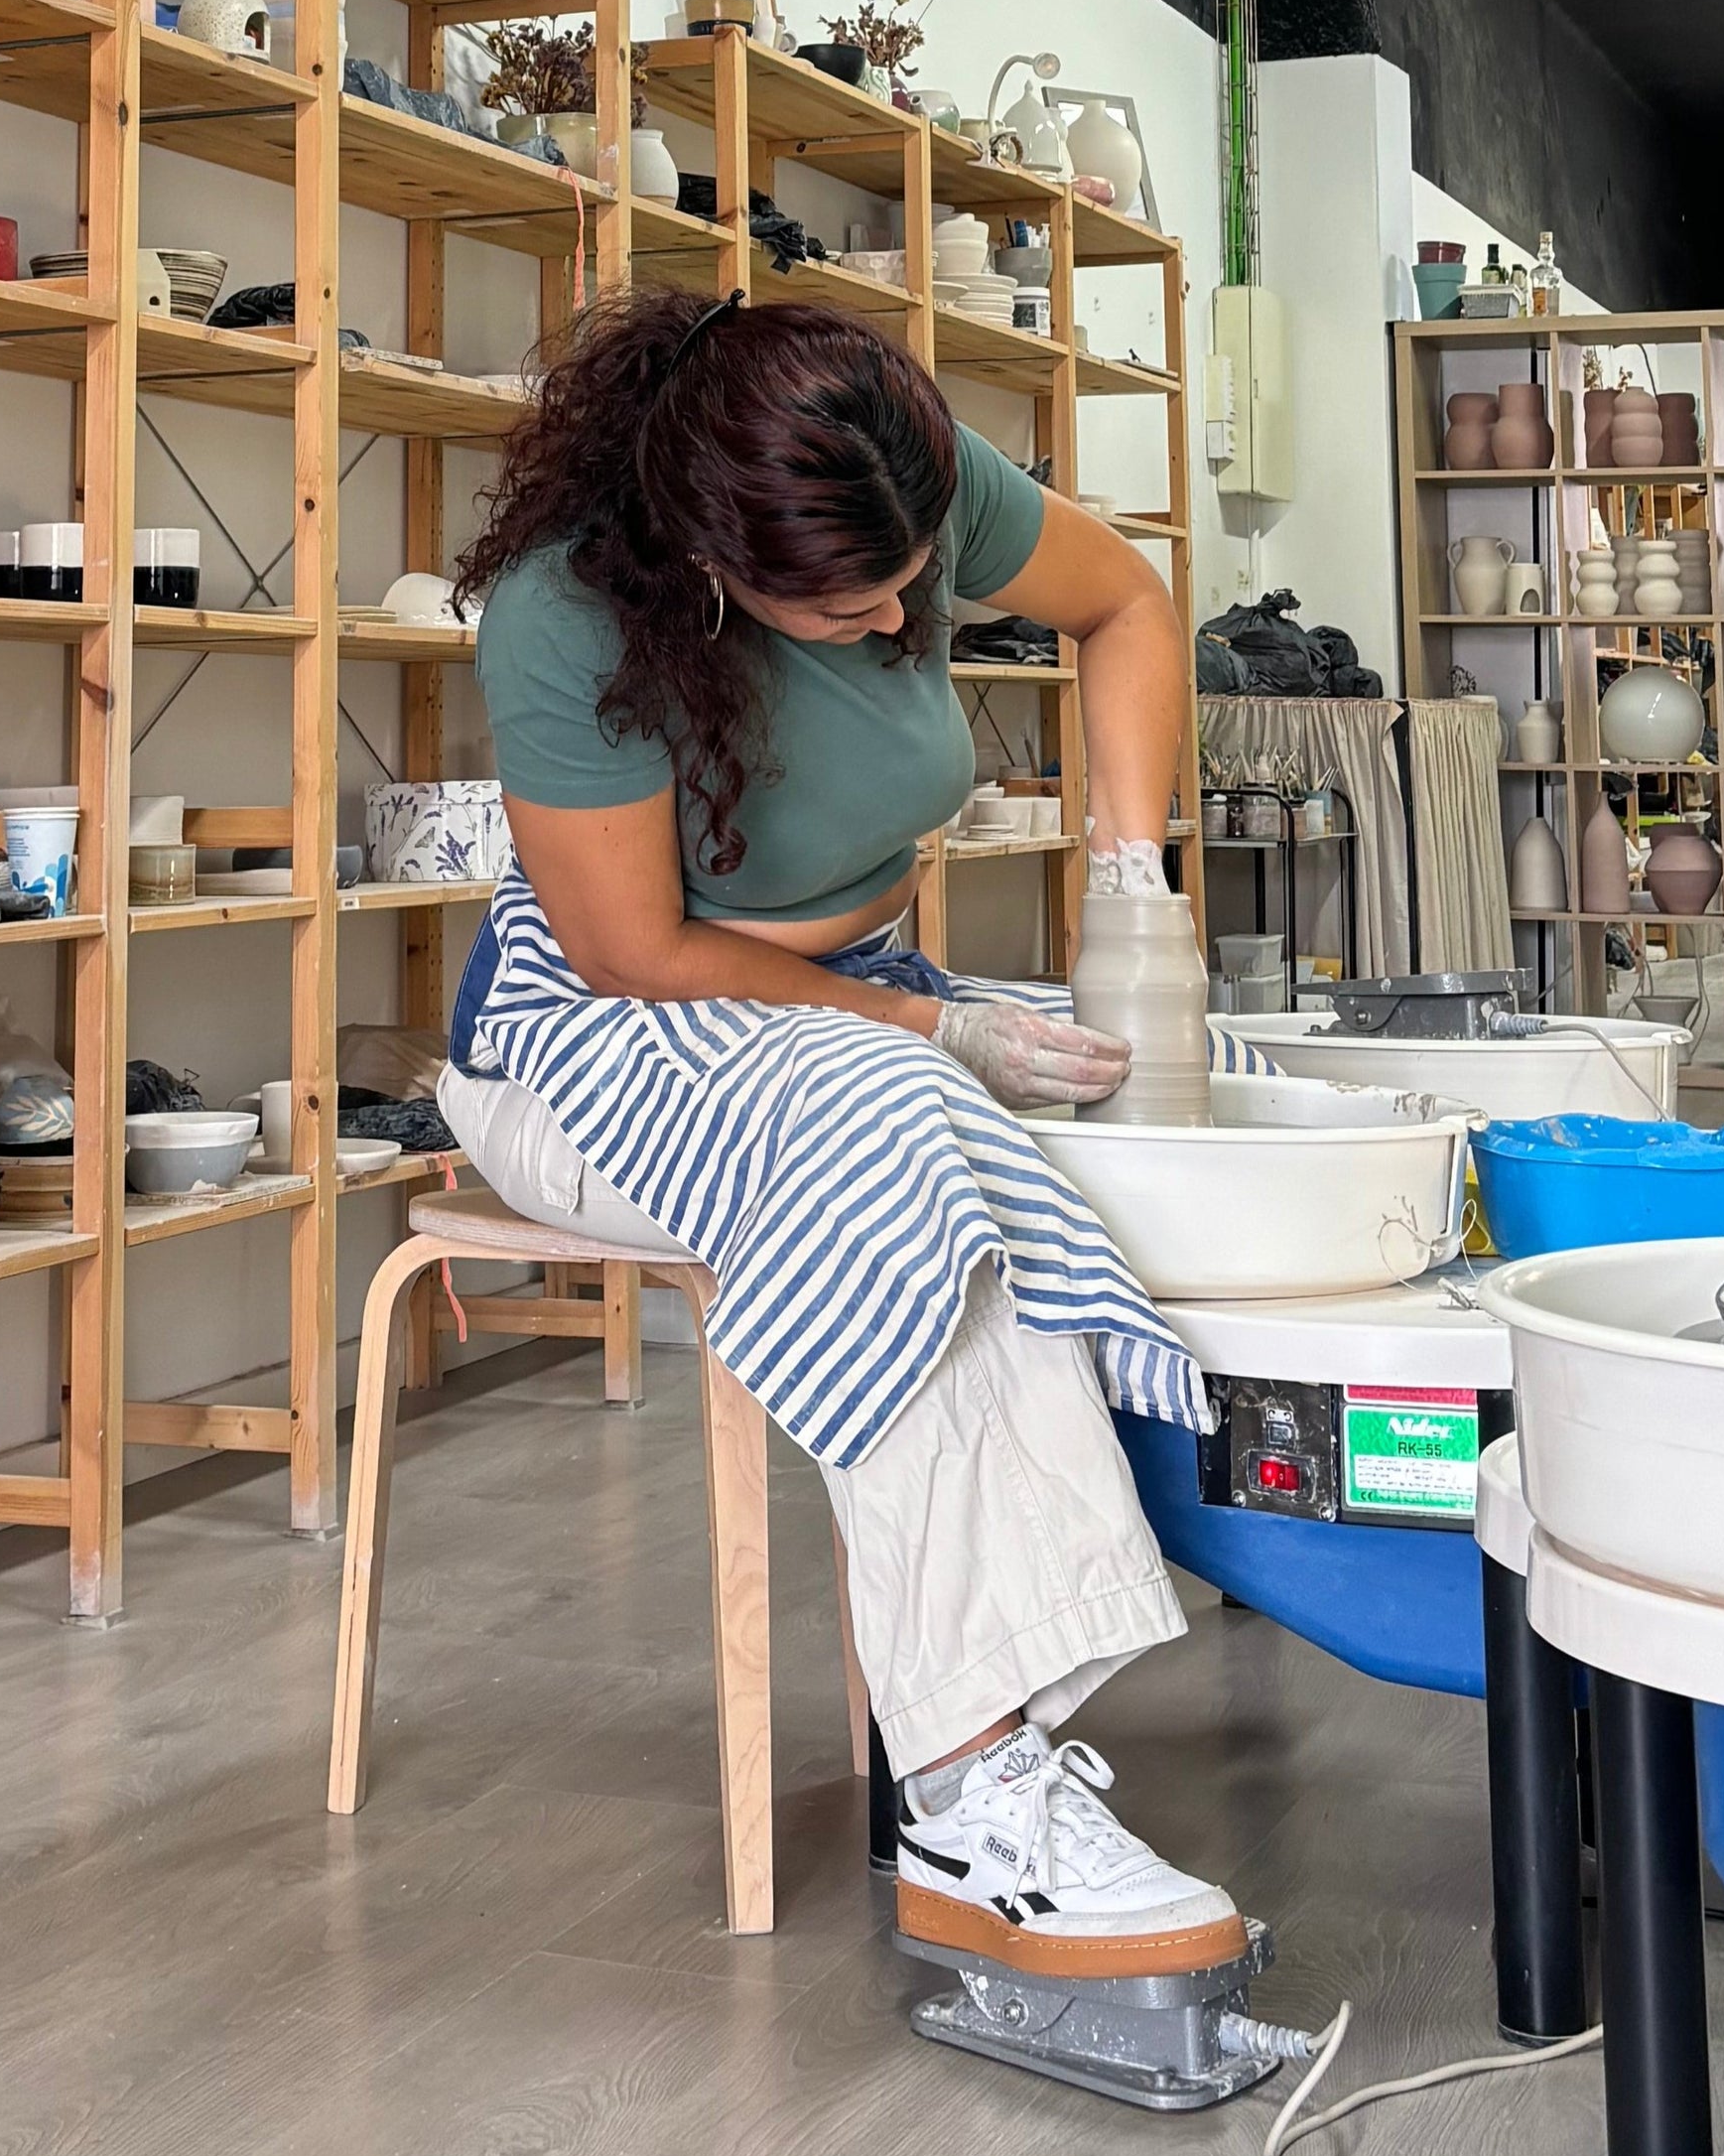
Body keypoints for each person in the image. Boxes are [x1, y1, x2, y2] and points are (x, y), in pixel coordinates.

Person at [441, 285, 1247, 1973]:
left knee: (1075, 1137)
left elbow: (1127, 605)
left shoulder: (914, 483)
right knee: (905, 1122)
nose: (902, 619)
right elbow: (634, 950)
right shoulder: (569, 605)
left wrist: (1127, 866)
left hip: (849, 1001)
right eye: (853, 603)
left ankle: (1051, 1665)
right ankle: (970, 1794)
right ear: (712, 562)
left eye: (911, 584)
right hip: (591, 1036)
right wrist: (932, 1026)